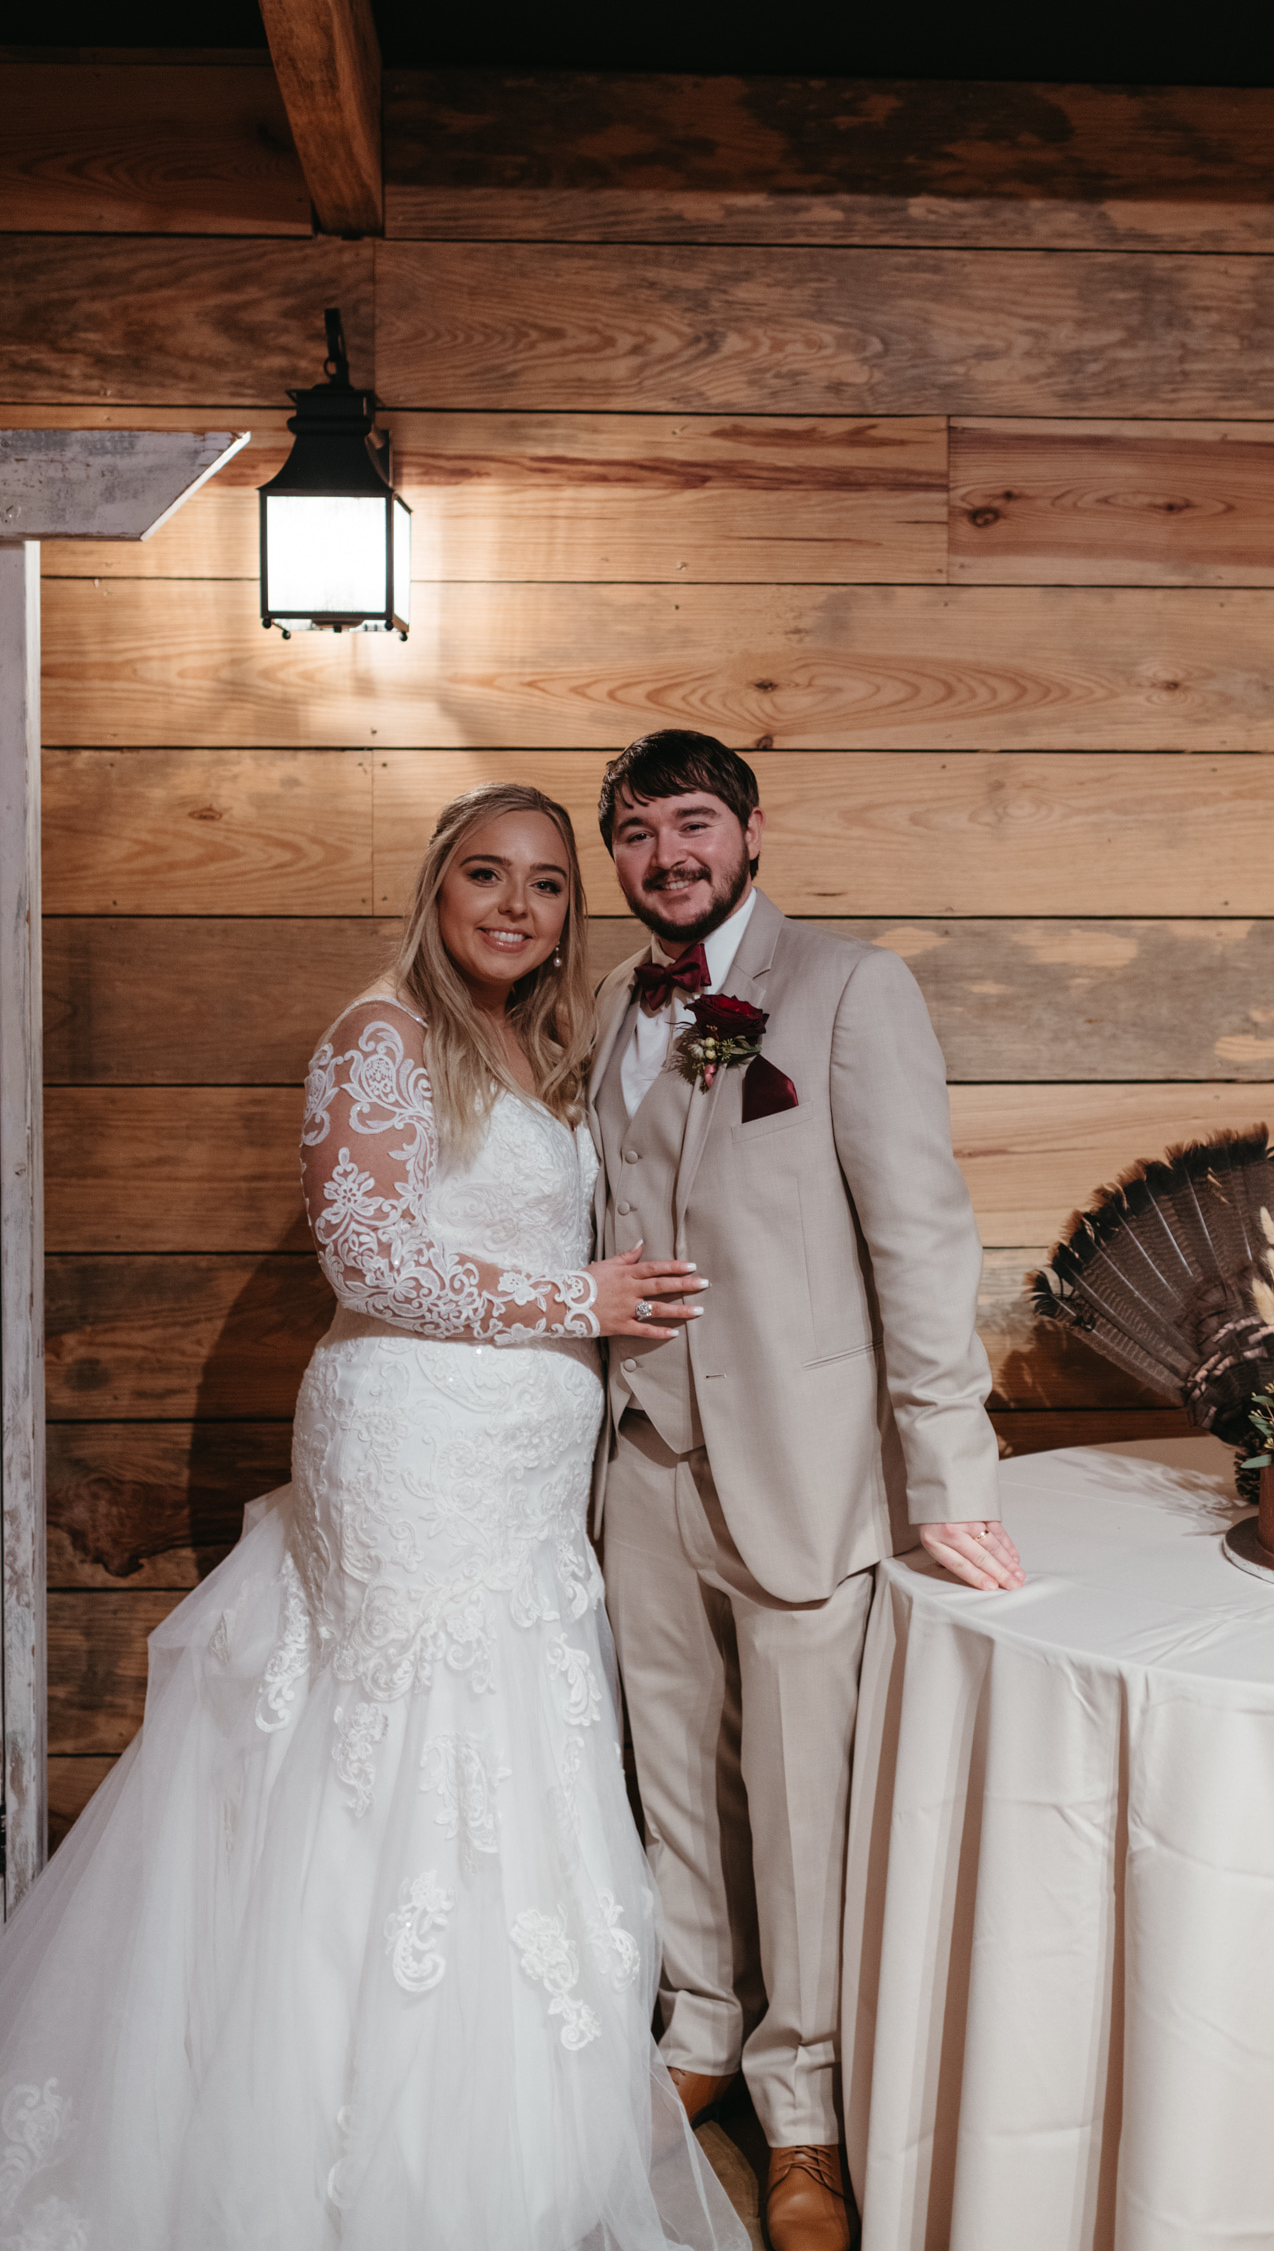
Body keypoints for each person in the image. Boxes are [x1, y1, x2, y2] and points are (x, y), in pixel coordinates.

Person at [0, 782, 745, 2251]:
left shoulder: (543, 1048)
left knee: (513, 1752)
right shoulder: (380, 1034)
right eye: (486, 875)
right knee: (398, 1753)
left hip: (523, 1478)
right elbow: (367, 1259)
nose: (516, 906)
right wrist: (574, 1305)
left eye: (544, 884)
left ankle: (510, 2132)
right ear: (437, 886)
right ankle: (334, 2137)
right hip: (409, 1452)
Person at [588, 732, 1024, 2251]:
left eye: (693, 824)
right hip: (640, 1470)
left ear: (753, 829)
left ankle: (807, 2113)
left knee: (802, 1808)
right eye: (637, 835)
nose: (668, 857)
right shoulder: (610, 1010)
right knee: (672, 1788)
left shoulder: (850, 989)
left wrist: (950, 1470)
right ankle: (695, 2029)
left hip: (803, 1473)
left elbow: (923, 1242)